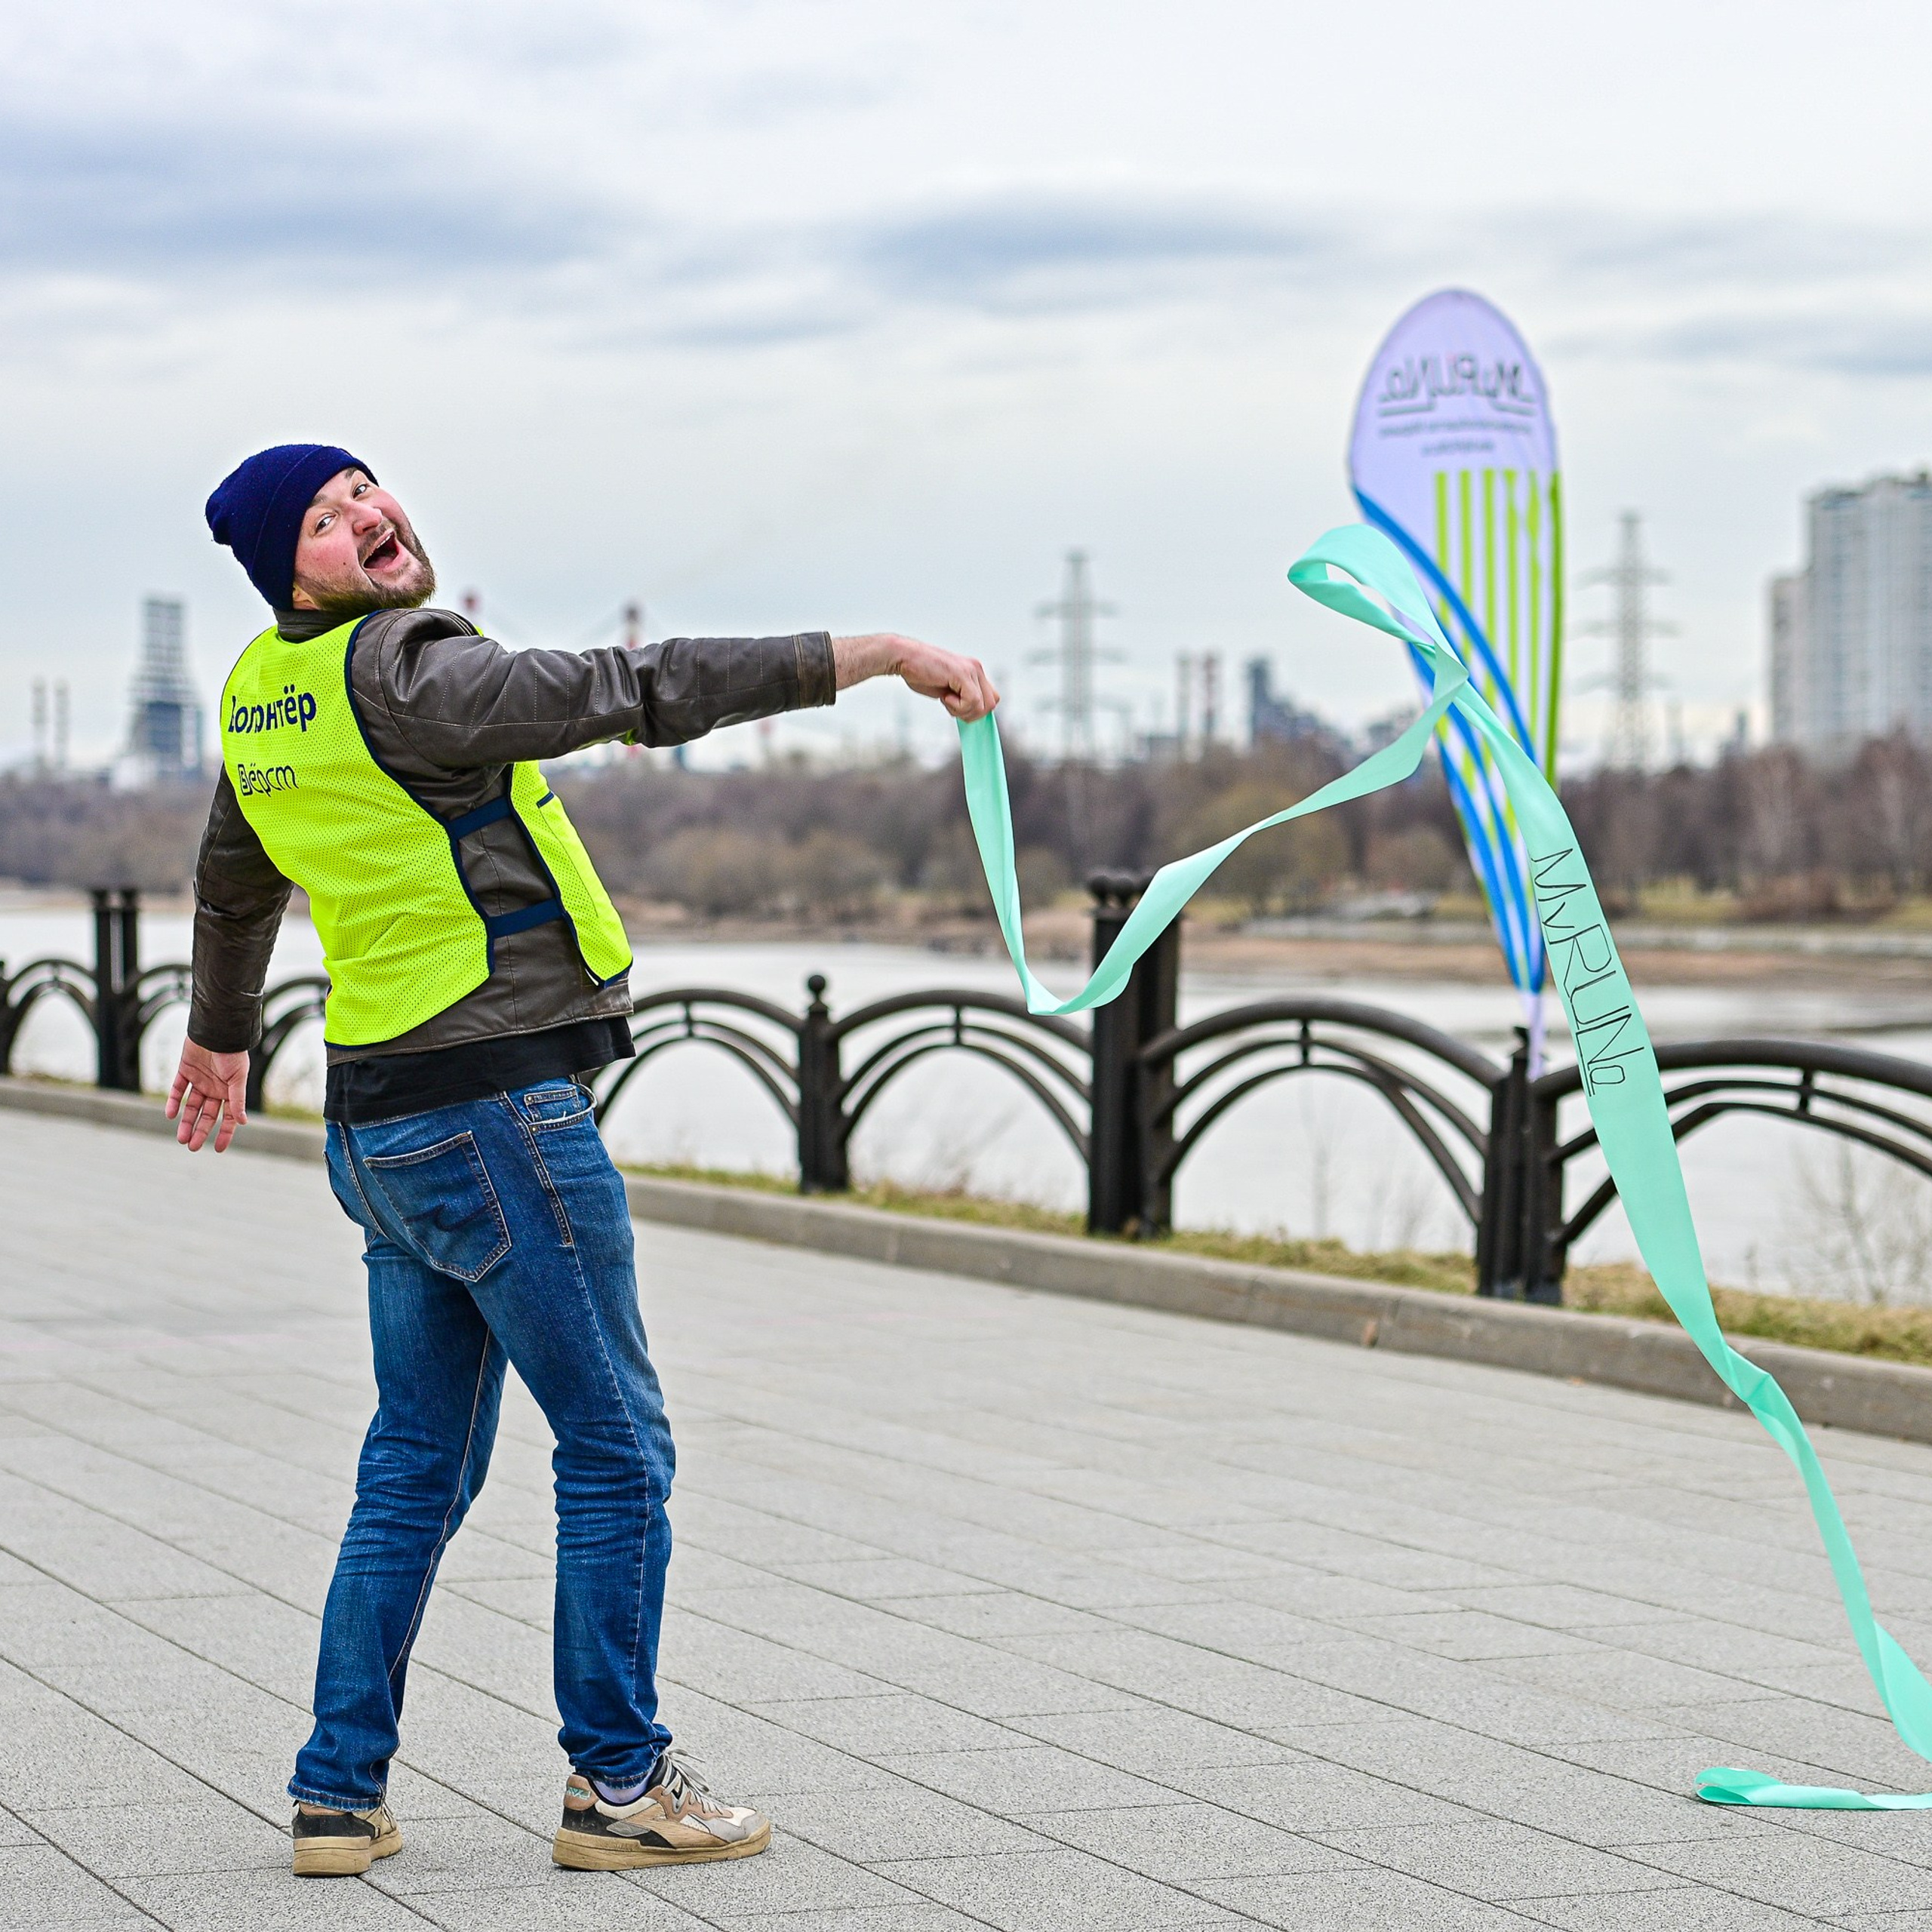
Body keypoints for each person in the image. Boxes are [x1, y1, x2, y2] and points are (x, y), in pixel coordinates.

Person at [170, 443, 998, 1879]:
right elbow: (640, 686)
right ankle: (619, 1783)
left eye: (365, 486)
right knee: (618, 1445)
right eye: (324, 515)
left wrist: (221, 1038)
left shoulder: (262, 692)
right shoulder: (411, 669)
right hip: (494, 1113)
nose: (367, 513)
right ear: (285, 565)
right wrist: (874, 654)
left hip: (377, 1124)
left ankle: (336, 1793)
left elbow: (231, 887)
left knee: (413, 1464)